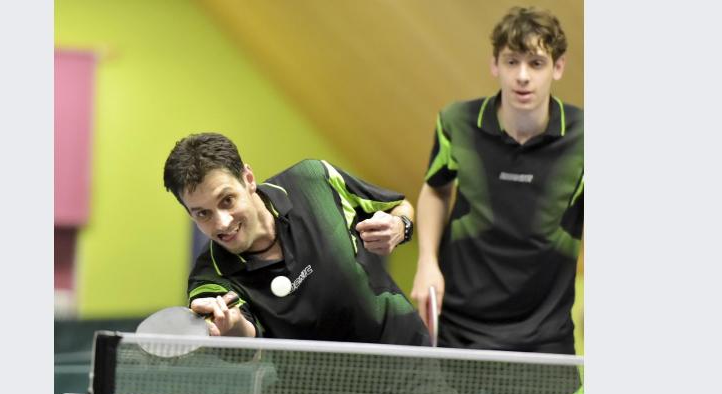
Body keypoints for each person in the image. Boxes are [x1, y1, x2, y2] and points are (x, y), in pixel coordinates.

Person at [411, 6, 584, 355]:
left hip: (544, 336)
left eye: (536, 63)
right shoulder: (456, 121)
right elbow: (436, 188)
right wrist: (426, 262)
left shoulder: (588, 138)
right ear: (495, 65)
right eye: (511, 62)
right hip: (457, 328)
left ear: (558, 67)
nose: (522, 76)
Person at [163, 132, 430, 346]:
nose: (222, 222)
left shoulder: (313, 181)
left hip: (405, 356)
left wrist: (400, 226)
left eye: (227, 200)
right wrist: (231, 326)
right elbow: (246, 346)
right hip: (315, 392)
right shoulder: (209, 276)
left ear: (248, 179)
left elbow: (399, 205)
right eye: (203, 214)